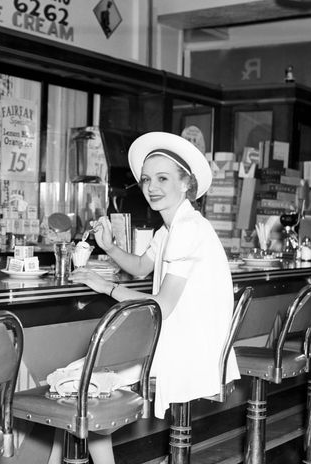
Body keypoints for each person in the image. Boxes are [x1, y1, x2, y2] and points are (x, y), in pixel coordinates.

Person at [67, 131, 239, 460]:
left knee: (76, 381)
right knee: (82, 385)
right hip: (185, 345)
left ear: (186, 183)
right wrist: (110, 247)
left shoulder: (187, 228)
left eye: (163, 178)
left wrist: (106, 287)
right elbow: (141, 268)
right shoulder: (173, 227)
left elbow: (161, 306)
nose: (151, 187)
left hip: (186, 354)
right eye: (146, 179)